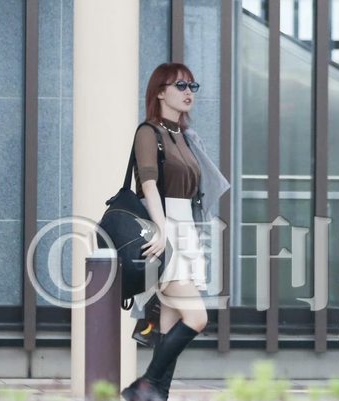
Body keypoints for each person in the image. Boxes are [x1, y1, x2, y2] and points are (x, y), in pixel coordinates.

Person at [121, 63, 229, 401]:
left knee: (168, 326)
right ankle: (143, 386)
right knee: (196, 317)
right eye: (180, 85)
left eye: (192, 86)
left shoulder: (185, 137)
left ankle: (156, 394)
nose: (188, 92)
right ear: (159, 92)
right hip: (163, 227)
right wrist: (160, 230)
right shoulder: (148, 132)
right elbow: (148, 185)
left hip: (185, 229)